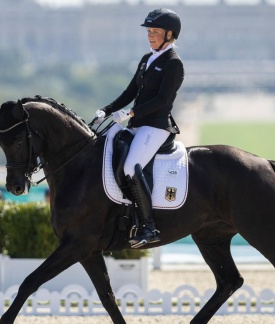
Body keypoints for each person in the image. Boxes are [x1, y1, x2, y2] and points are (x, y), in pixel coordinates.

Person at [92, 8, 184, 248]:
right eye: (149, 31)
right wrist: (107, 109)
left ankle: (148, 225)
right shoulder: (147, 59)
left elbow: (163, 101)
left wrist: (131, 112)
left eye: (155, 32)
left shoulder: (174, 64)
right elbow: (131, 91)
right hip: (138, 123)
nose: (150, 35)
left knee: (132, 168)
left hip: (155, 126)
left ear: (169, 34)